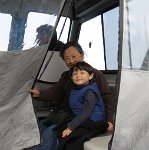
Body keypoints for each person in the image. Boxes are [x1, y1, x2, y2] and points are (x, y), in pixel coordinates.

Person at [28, 41, 115, 149]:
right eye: (67, 58)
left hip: (81, 119)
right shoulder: (66, 75)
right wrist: (40, 93)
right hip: (64, 114)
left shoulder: (95, 75)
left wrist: (109, 120)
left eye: (74, 56)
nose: (71, 61)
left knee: (50, 133)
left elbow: (107, 98)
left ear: (82, 55)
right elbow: (55, 92)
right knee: (39, 127)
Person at [55, 61, 108, 150]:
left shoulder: (90, 91)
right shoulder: (77, 89)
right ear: (71, 77)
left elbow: (86, 113)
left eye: (82, 73)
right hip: (84, 120)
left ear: (90, 76)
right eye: (74, 74)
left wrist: (71, 127)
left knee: (70, 139)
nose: (78, 75)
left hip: (94, 123)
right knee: (59, 130)